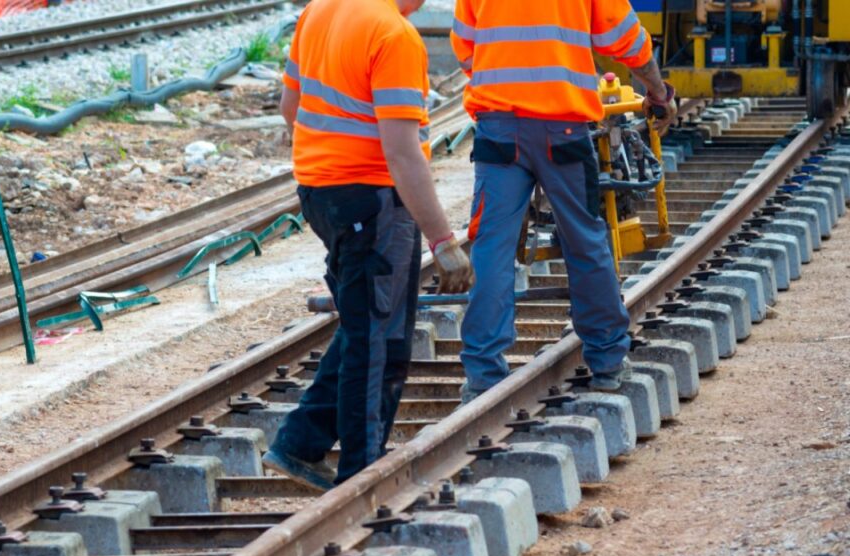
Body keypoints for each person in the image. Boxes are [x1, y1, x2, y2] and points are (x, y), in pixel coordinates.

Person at [262, 0, 474, 491]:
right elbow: (402, 153)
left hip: (321, 194)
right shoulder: (394, 35)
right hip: (372, 202)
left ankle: (299, 443)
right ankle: (362, 479)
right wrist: (443, 240)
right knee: (381, 342)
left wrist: (331, 158)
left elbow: (291, 108)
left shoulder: (319, 10)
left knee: (364, 324)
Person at [450, 0, 678, 401]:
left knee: (491, 248)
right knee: (585, 240)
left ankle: (483, 375)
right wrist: (658, 92)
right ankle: (607, 360)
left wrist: (508, 86)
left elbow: (465, 47)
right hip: (564, 128)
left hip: (498, 128)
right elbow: (625, 38)